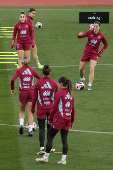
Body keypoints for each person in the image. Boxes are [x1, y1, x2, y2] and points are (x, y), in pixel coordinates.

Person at [35, 77, 75, 165]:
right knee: (64, 139)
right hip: (67, 120)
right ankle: (63, 159)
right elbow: (73, 109)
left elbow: (54, 108)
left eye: (58, 83)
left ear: (61, 84)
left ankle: (45, 157)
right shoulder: (71, 95)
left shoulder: (59, 94)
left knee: (50, 136)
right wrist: (72, 121)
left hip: (59, 119)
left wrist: (49, 119)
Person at [11, 56, 42, 136]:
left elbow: (12, 80)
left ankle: (21, 125)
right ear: (29, 62)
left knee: (22, 111)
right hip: (31, 92)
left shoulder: (19, 70)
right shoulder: (32, 70)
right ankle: (30, 130)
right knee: (30, 112)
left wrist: (12, 88)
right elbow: (40, 79)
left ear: (21, 62)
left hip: (23, 92)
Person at [31, 64, 58, 154]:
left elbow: (34, 97)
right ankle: (49, 147)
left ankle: (42, 148)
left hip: (41, 108)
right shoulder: (54, 83)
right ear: (50, 73)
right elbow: (57, 98)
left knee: (42, 128)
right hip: (51, 109)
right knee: (50, 128)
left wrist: (32, 110)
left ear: (42, 73)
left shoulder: (38, 83)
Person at [77, 21, 108, 90]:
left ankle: (89, 85)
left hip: (94, 54)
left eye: (97, 26)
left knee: (91, 69)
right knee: (81, 69)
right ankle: (82, 78)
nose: (95, 28)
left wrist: (101, 52)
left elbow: (106, 45)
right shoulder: (89, 33)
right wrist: (79, 35)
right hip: (86, 53)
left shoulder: (101, 36)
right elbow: (80, 36)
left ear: (99, 27)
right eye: (94, 26)